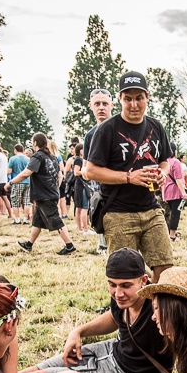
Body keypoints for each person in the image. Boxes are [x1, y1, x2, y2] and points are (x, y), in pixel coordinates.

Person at [18, 248, 175, 373]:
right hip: (112, 350)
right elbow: (115, 318)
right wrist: (78, 332)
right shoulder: (123, 298)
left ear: (143, 280)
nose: (118, 293)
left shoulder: (159, 307)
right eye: (112, 284)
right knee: (42, 367)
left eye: (125, 285)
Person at [83, 72, 175, 281]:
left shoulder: (156, 126)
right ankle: (126, 311)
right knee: (125, 275)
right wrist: (128, 177)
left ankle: (153, 310)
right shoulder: (107, 129)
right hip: (118, 212)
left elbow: (165, 160)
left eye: (139, 98)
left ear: (147, 98)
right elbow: (90, 171)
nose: (134, 104)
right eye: (128, 99)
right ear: (120, 100)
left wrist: (162, 173)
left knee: (165, 267)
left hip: (150, 208)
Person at [7, 133, 76, 255]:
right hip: (50, 193)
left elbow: (26, 173)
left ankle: (69, 245)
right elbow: (59, 176)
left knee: (55, 220)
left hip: (45, 195)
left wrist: (10, 183)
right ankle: (29, 244)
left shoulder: (37, 157)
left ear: (35, 143)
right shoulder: (52, 157)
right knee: (37, 221)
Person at [83, 87, 115, 254]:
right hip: (98, 186)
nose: (101, 107)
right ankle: (103, 244)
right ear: (91, 106)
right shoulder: (90, 135)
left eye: (104, 103)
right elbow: (86, 165)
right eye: (97, 104)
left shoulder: (120, 128)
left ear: (112, 105)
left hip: (119, 183)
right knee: (100, 212)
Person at [162, 151, 187, 241]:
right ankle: (172, 235)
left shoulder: (163, 162)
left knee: (169, 214)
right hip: (175, 192)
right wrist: (183, 192)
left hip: (166, 191)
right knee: (175, 214)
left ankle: (169, 232)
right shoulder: (175, 162)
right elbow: (178, 179)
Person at [8, 144, 31, 225]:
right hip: (28, 181)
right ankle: (25, 218)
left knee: (15, 201)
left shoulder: (12, 159)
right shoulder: (28, 159)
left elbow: (9, 171)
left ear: (15, 150)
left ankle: (17, 219)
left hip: (17, 181)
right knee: (27, 201)